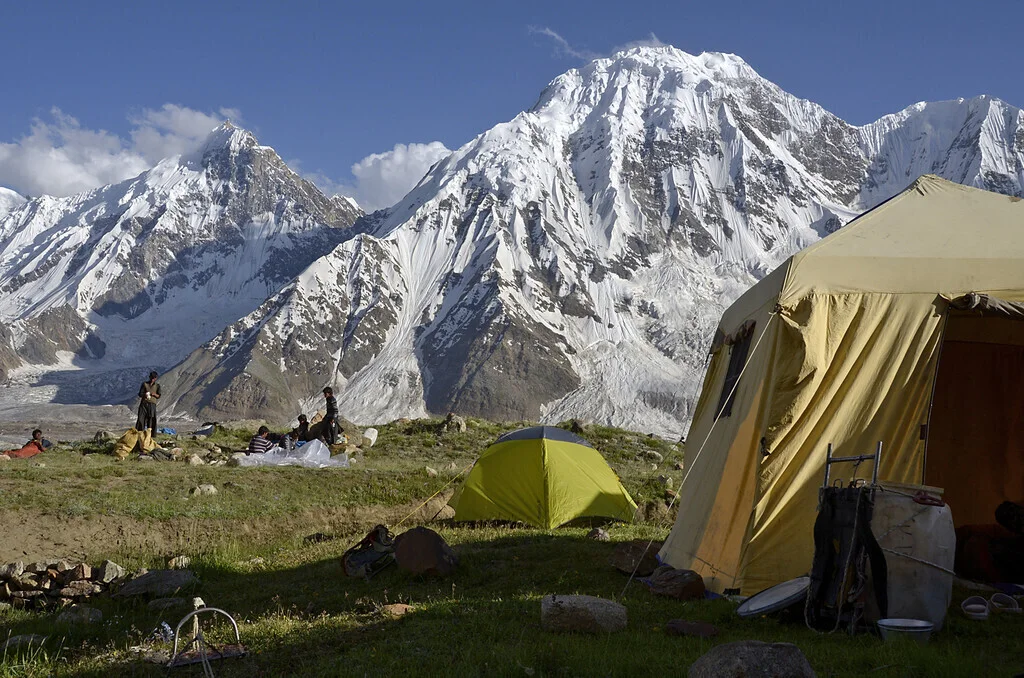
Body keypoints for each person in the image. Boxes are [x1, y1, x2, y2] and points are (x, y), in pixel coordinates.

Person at [136, 371, 161, 436]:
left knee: (151, 419)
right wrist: (145, 394)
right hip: (144, 404)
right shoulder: (144, 384)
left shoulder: (157, 386)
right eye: (151, 378)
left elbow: (159, 396)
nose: (152, 379)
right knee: (141, 419)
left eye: (153, 378)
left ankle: (151, 434)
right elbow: (140, 394)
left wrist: (154, 394)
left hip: (152, 404)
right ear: (149, 377)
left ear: (155, 378)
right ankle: (139, 433)